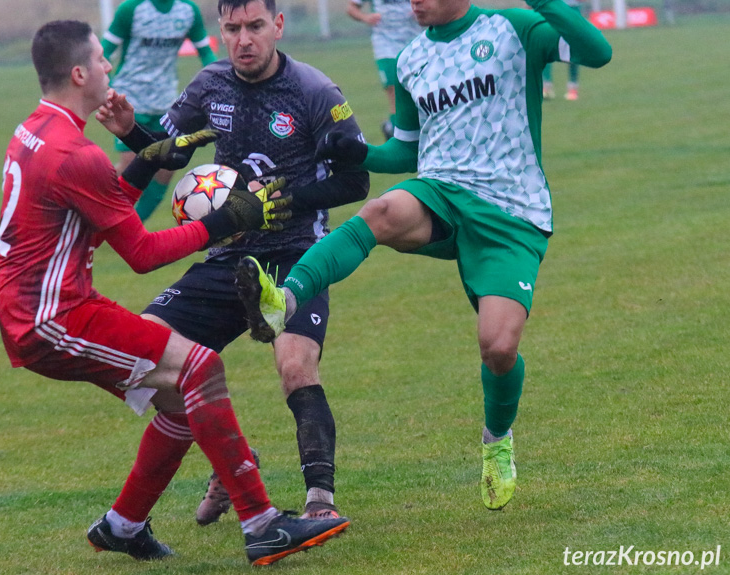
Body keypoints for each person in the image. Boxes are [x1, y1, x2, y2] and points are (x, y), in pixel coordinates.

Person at [0, 19, 348, 566]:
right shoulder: (76, 154)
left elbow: (99, 198)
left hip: (42, 307)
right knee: (200, 369)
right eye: (102, 60)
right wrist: (229, 219)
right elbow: (141, 254)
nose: (111, 67)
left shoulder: (36, 131)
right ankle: (262, 523)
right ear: (81, 72)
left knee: (185, 397)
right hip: (53, 317)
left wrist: (147, 158)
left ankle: (123, 525)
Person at [235, 0, 612, 511]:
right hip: (441, 191)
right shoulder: (413, 58)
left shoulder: (513, 28)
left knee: (498, 348)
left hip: (511, 211)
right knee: (381, 212)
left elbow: (598, 53)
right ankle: (284, 299)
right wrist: (359, 152)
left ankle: (496, 440)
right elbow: (409, 153)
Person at [116, 0, 370, 526]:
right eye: (232, 29)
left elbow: (355, 182)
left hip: (298, 252)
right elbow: (171, 152)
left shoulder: (314, 90)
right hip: (228, 254)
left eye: (255, 26)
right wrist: (128, 134)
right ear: (221, 31)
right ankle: (239, 462)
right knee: (145, 351)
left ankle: (320, 501)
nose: (243, 39)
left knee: (295, 365)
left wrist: (280, 199)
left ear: (277, 25)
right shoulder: (209, 84)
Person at [102, 0, 217, 221]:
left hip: (167, 105)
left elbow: (206, 55)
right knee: (130, 166)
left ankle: (129, 225)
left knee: (166, 169)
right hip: (129, 100)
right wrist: (102, 87)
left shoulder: (188, 11)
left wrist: (224, 82)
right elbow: (104, 51)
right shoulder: (131, 9)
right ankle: (90, 203)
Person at [346, 0, 424, 139]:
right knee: (394, 91)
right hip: (386, 45)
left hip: (414, 42)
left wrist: (423, 10)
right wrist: (366, 17)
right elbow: (352, 8)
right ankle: (397, 138)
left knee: (417, 91)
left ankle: (393, 127)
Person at [542, 0, 583, 100]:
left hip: (571, 9)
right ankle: (546, 87)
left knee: (572, 50)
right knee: (547, 49)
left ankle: (573, 87)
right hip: (552, 9)